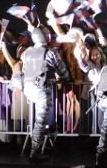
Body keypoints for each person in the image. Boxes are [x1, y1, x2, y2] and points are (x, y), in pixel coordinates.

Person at [22, 27, 71, 161]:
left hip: (28, 88)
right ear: (46, 36)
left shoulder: (27, 51)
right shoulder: (50, 52)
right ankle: (35, 152)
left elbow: (24, 70)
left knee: (37, 120)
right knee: (40, 121)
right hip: (41, 89)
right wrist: (66, 79)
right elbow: (62, 69)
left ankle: (33, 149)